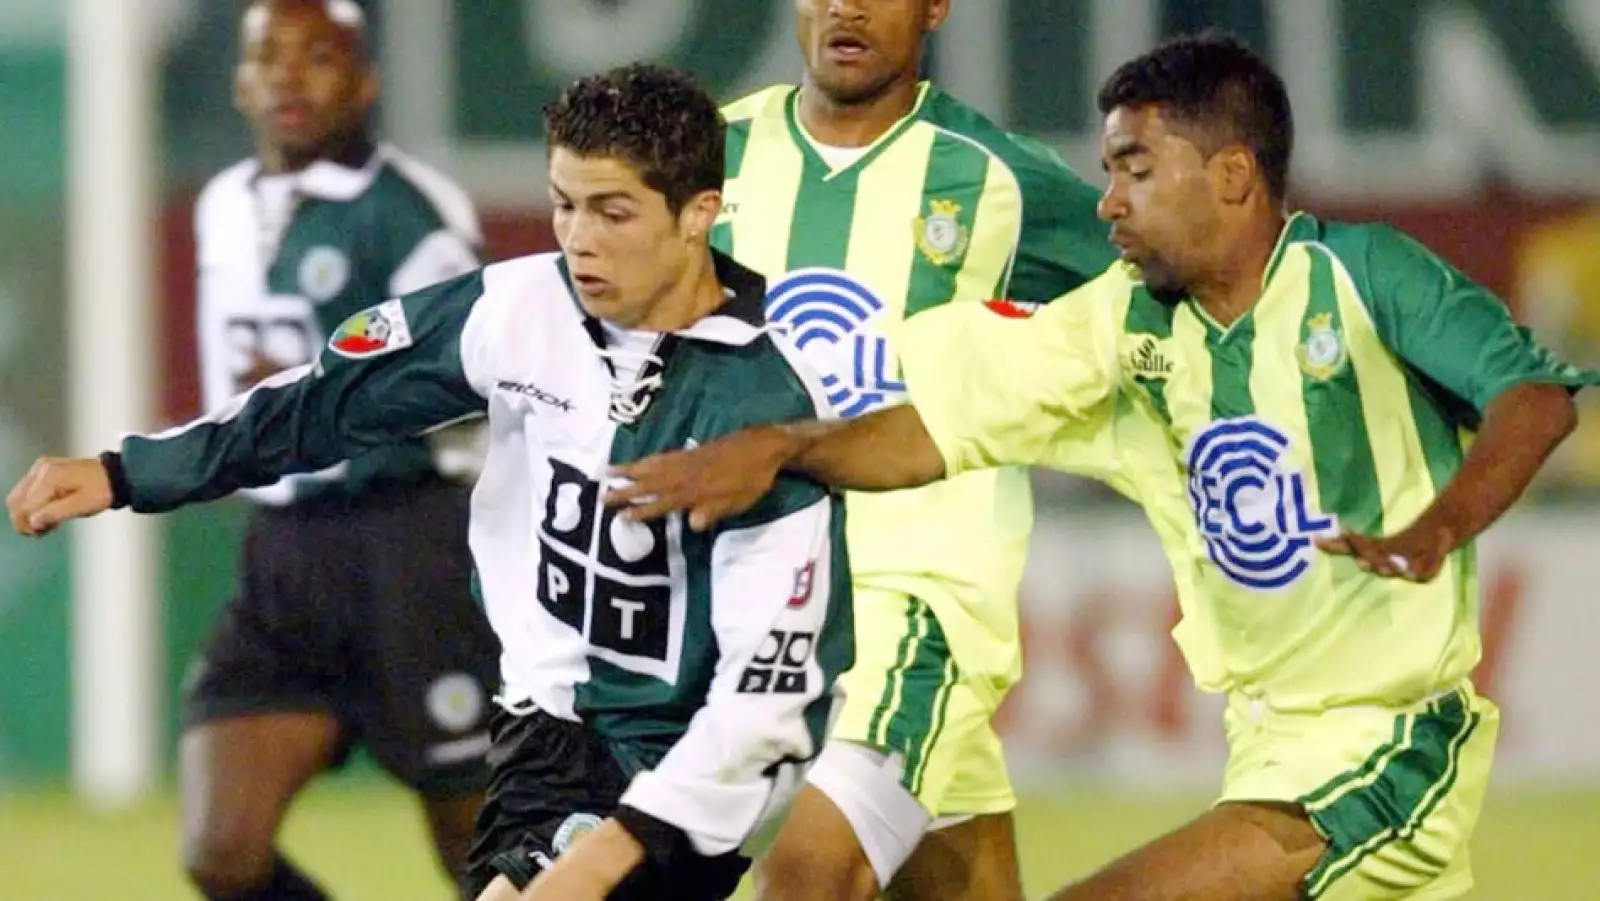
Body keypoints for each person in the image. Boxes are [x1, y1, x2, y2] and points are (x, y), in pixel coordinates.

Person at [605, 32, 1599, 901]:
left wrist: (1437, 527)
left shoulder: (1364, 274)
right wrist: (781, 448)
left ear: (1232, 175)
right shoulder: (1126, 321)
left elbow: (1533, 397)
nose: (1107, 204)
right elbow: (935, 429)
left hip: (1394, 742)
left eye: (1133, 169)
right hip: (1265, 742)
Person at [8, 63, 852, 901]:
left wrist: (612, 851)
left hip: (693, 763)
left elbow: (764, 694)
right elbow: (325, 400)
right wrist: (128, 472)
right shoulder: (516, 310)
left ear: (700, 213)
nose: (579, 238)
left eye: (613, 211)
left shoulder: (769, 399)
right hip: (544, 737)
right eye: (564, 204)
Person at [714, 1, 1115, 896]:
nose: (846, 6)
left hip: (917, 608)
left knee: (807, 877)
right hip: (750, 604)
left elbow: (1166, 291)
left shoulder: (1001, 181)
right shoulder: (709, 154)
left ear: (935, 6)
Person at [179, 1, 496, 898]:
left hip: (409, 540)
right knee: (221, 849)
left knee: (481, 856)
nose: (288, 74)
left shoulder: (410, 210)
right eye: (267, 57)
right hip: (283, 552)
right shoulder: (223, 206)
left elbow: (463, 379)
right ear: (240, 81)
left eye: (318, 56)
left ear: (364, 82)